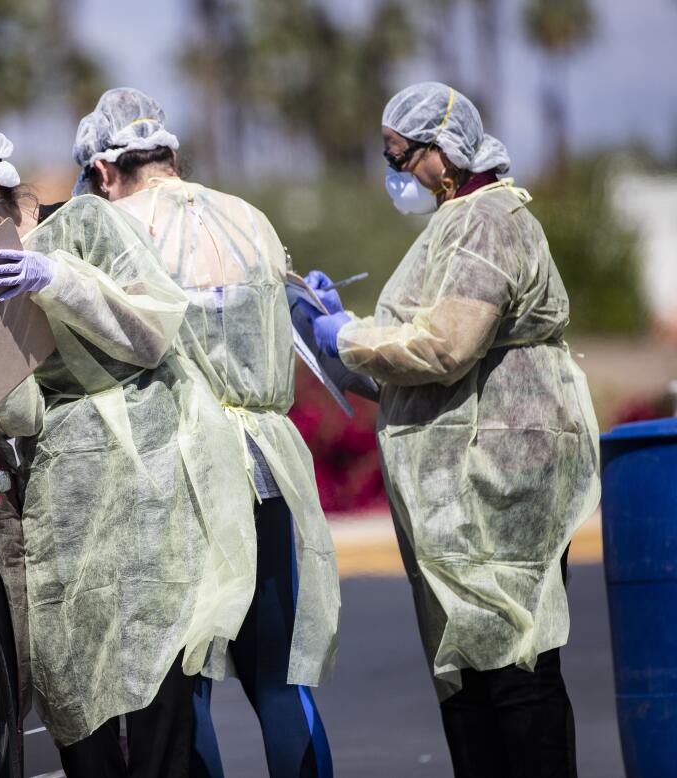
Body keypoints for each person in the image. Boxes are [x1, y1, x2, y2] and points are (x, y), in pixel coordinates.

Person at [0, 119, 257, 778]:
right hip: (68, 496)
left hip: (147, 481)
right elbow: (22, 414)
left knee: (152, 681)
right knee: (70, 679)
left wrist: (57, 280)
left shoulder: (83, 225)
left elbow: (153, 331)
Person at [302, 82, 600, 778]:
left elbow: (444, 346)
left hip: (502, 481)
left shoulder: (488, 220)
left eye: (400, 156)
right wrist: (336, 335)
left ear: (444, 151)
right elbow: (419, 363)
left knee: (513, 662)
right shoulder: (455, 223)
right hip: (462, 491)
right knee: (469, 670)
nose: (395, 172)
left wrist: (348, 336)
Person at [73, 87, 339, 778]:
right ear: (171, 154)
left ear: (104, 172)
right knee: (281, 681)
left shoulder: (116, 229)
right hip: (269, 468)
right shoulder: (246, 216)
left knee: (183, 688)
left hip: (182, 478)